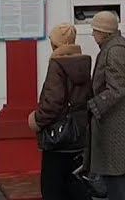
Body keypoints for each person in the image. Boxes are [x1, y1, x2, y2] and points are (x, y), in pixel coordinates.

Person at [85, 11, 125, 200]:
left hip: (116, 120)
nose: (93, 34)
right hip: (115, 117)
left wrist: (93, 105)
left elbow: (118, 88)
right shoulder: (114, 46)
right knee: (114, 173)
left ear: (104, 32)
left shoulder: (115, 51)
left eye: (95, 30)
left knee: (115, 174)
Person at [29, 23, 91, 200]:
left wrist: (36, 120)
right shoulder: (83, 63)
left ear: (56, 44)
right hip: (78, 134)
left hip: (57, 138)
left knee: (52, 188)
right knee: (74, 185)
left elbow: (52, 103)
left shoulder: (57, 65)